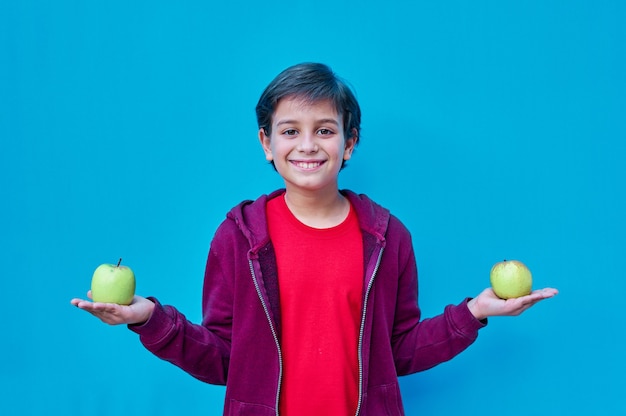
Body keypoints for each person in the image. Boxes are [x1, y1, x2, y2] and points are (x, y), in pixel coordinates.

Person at [71, 62, 558, 416]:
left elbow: (401, 349)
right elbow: (223, 358)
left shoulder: (387, 237)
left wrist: (475, 313)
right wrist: (150, 319)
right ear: (266, 144)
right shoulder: (238, 238)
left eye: (325, 130)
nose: (307, 145)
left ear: (349, 143)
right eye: (289, 130)